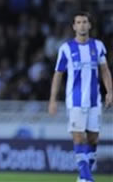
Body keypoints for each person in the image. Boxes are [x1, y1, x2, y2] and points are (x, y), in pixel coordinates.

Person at [48, 12, 112, 182]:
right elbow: (58, 75)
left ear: (89, 25)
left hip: (94, 100)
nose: (82, 25)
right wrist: (53, 100)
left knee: (93, 139)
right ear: (74, 26)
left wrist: (110, 92)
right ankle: (86, 177)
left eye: (85, 22)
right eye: (79, 22)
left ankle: (83, 176)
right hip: (75, 101)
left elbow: (105, 71)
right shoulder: (66, 48)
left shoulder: (98, 46)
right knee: (79, 137)